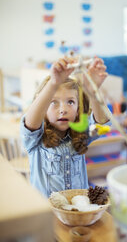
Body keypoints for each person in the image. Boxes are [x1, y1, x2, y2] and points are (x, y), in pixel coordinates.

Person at [20, 56, 110, 197]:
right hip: (47, 214)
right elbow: (30, 124)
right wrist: (53, 84)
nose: (63, 109)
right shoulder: (37, 139)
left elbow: (103, 123)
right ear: (43, 106)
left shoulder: (81, 133)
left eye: (70, 102)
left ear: (78, 108)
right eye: (53, 102)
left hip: (79, 210)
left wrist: (93, 92)